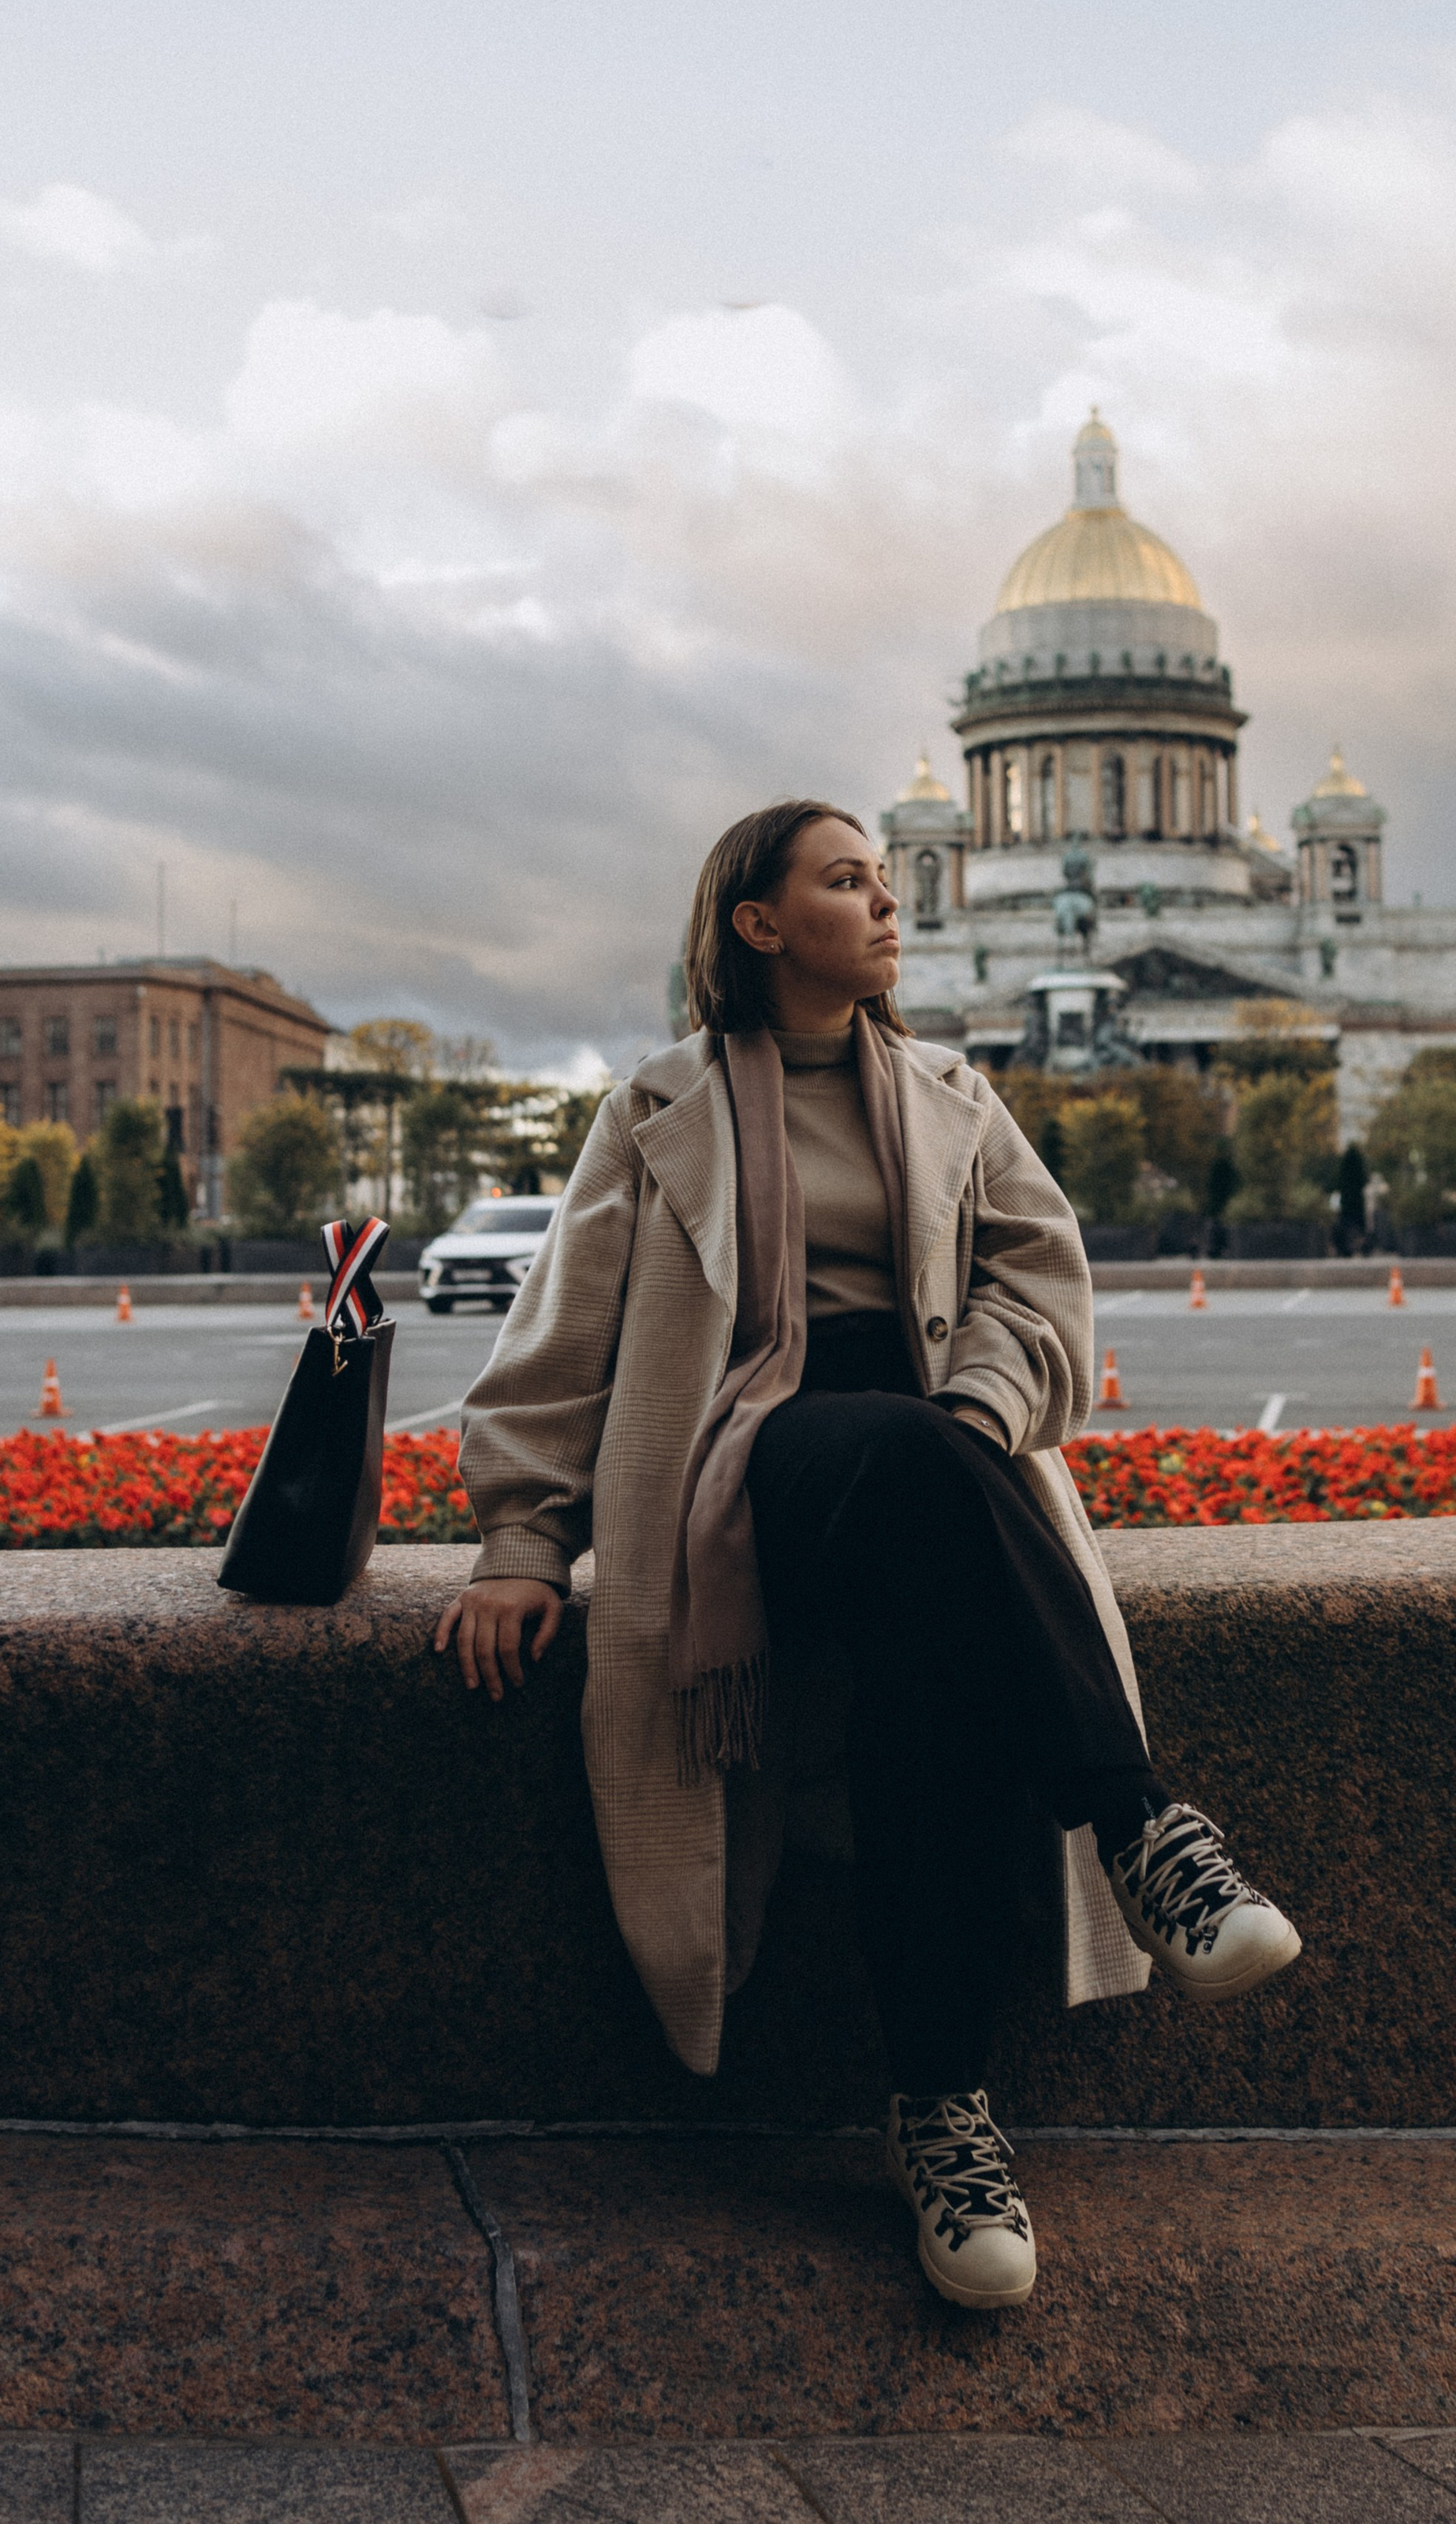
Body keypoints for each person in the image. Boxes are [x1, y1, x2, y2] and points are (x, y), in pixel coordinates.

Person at [434, 798, 1300, 2311]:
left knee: (933, 1699)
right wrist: (520, 1537)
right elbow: (559, 1345)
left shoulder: (959, 1093)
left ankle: (944, 2118)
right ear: (758, 925)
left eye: (888, 882)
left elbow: (1045, 1291)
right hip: (746, 1470)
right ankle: (1141, 1822)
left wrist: (977, 1407)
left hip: (931, 1485)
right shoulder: (656, 1109)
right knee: (898, 1448)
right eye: (848, 882)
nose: (889, 907)